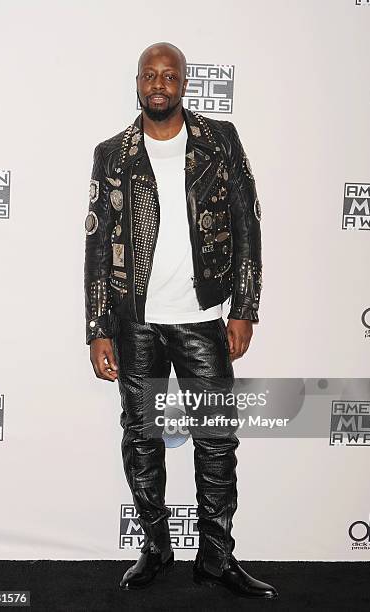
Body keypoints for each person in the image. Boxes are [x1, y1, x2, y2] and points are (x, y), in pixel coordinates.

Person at [84, 41, 278, 599]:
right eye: (151, 75)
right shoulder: (112, 155)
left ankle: (216, 558)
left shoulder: (220, 141)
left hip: (201, 316)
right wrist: (99, 325)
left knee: (216, 439)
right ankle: (155, 549)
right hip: (136, 322)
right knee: (142, 437)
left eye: (170, 75)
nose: (160, 84)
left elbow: (248, 226)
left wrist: (243, 308)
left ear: (184, 84)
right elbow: (98, 246)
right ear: (138, 83)